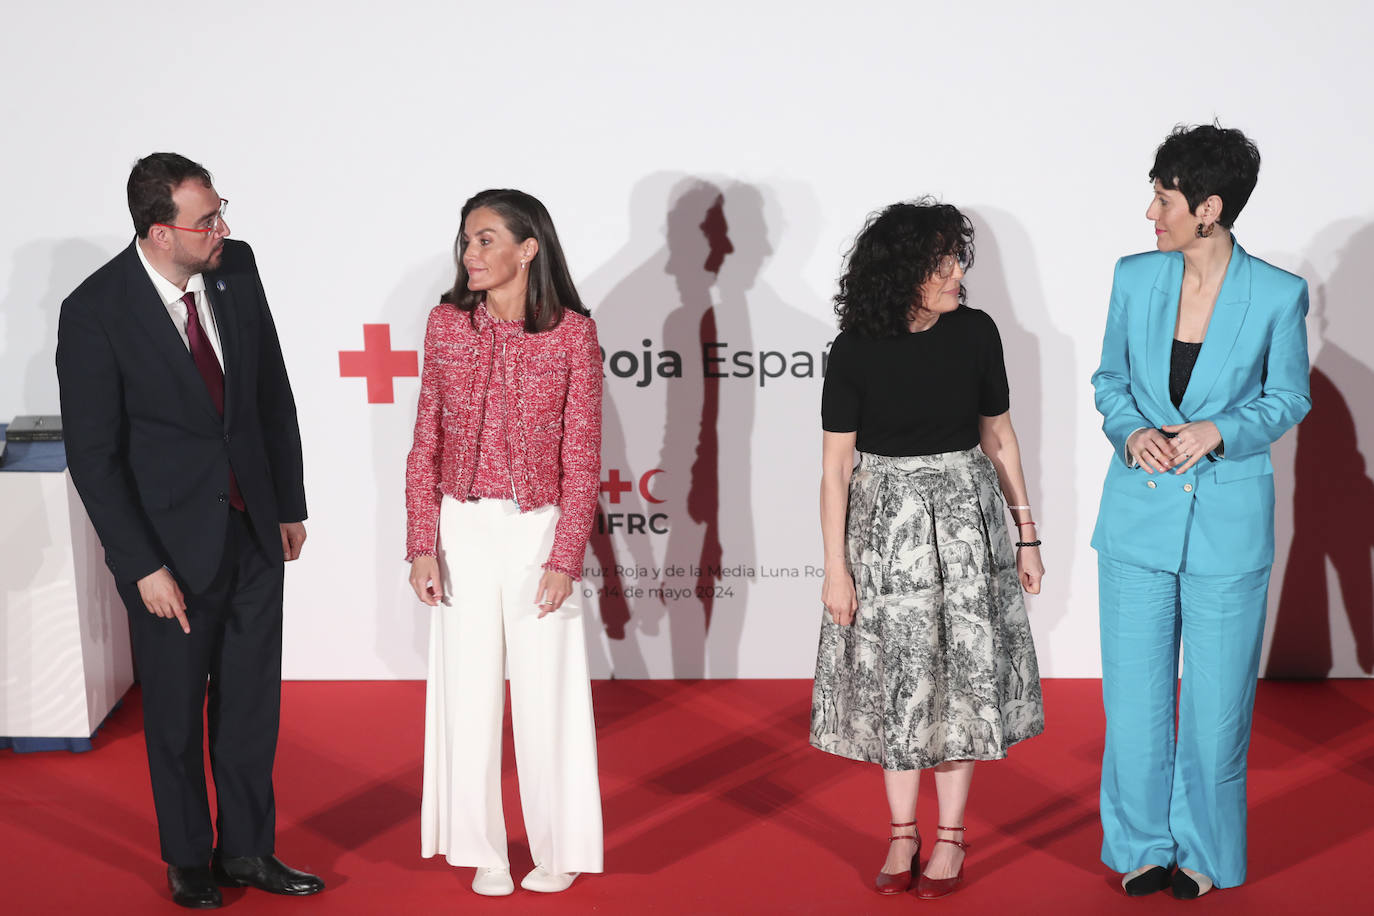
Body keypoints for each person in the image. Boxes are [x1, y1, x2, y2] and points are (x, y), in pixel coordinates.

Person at [56, 153, 323, 909]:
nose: (222, 229)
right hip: (167, 554)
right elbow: (95, 457)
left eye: (221, 210)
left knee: (249, 708)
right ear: (157, 232)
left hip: (252, 531)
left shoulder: (236, 267)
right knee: (172, 718)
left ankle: (247, 851)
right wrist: (140, 563)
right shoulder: (96, 311)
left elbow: (271, 391)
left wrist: (286, 505)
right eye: (205, 221)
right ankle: (188, 861)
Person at [1091, 124, 1311, 899]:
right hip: (1135, 524)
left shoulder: (1279, 294)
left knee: (1217, 713)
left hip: (1227, 528)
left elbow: (1289, 396)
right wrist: (1130, 432)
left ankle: (1205, 853)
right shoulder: (1132, 278)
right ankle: (1142, 846)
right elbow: (1109, 381)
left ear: (1210, 208)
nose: (1151, 212)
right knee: (1137, 705)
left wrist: (1223, 429)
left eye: (1165, 198)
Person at [810, 199, 1045, 900]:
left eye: (957, 258)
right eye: (941, 261)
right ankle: (901, 833)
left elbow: (998, 436)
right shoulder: (853, 348)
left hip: (969, 524)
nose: (957, 272)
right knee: (900, 680)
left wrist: (1027, 533)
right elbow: (835, 468)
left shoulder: (976, 333)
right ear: (901, 270)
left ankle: (950, 838)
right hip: (886, 532)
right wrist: (835, 569)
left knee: (964, 680)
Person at [405, 189, 604, 896]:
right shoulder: (445, 325)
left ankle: (560, 847)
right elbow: (425, 438)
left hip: (537, 528)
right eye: (466, 241)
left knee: (548, 694)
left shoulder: (573, 334)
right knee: (467, 693)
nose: (471, 254)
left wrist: (563, 557)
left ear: (529, 249)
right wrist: (422, 543)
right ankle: (482, 848)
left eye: (487, 240)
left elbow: (582, 457)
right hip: (460, 526)